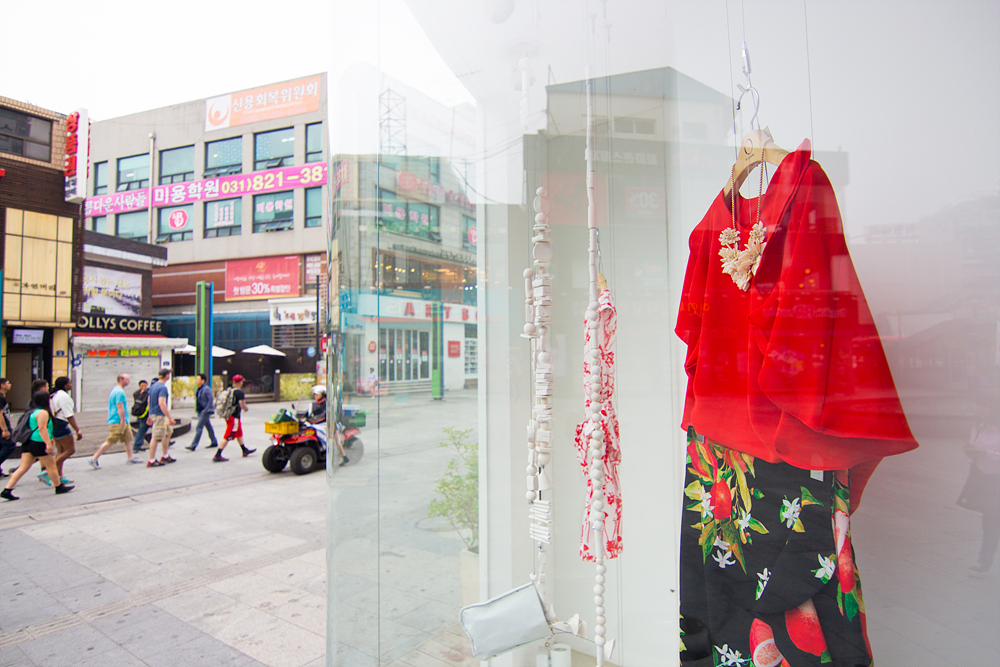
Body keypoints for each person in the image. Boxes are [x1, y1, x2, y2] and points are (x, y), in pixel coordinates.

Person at [2, 390, 74, 500]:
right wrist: (48, 443)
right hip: (39, 442)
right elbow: (42, 429)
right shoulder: (42, 413)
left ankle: (7, 489)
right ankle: (59, 486)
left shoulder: (32, 412)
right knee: (51, 466)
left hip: (29, 442)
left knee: (23, 467)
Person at [959, 395, 1000, 574]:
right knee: (990, 521)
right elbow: (975, 447)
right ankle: (984, 562)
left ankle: (985, 562)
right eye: (977, 405)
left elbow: (989, 454)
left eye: (983, 406)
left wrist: (986, 454)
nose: (978, 409)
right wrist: (970, 450)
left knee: (992, 520)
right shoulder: (978, 427)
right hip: (985, 480)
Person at [89, 374, 142, 468]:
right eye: (127, 379)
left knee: (128, 438)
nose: (129, 381)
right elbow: (120, 406)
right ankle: (94, 458)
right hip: (117, 420)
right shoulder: (119, 392)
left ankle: (130, 458)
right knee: (112, 440)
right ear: (121, 380)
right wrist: (122, 419)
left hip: (123, 420)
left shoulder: (117, 390)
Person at [42, 376, 82, 487]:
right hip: (61, 424)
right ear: (64, 385)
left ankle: (59, 476)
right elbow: (69, 416)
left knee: (61, 450)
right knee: (70, 450)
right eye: (69, 383)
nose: (71, 384)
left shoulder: (54, 395)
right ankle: (47, 471)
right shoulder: (64, 397)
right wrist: (77, 430)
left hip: (54, 423)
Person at [214, 375, 255, 462]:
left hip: (228, 415)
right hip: (234, 417)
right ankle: (217, 454)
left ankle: (244, 450)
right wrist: (245, 408)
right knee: (228, 435)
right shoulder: (239, 393)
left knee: (239, 432)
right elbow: (242, 404)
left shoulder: (228, 390)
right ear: (240, 382)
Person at [146, 368, 176, 467]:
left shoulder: (153, 386)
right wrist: (169, 417)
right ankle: (151, 460)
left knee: (168, 432)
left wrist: (149, 414)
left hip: (156, 414)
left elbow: (149, 401)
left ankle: (165, 455)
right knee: (156, 437)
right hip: (159, 415)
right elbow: (162, 403)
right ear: (167, 375)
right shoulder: (162, 388)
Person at [186, 373, 218, 451]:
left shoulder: (207, 389)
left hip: (205, 411)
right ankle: (214, 441)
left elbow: (210, 400)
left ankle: (193, 445)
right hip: (200, 411)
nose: (196, 380)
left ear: (203, 381)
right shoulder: (198, 389)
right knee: (208, 426)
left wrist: (206, 410)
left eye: (198, 379)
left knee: (199, 427)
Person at [0, 378, 15, 477]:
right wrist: (5, 429)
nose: (10, 384)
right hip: (2, 427)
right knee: (9, 445)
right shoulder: (1, 398)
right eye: (7, 383)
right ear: (2, 385)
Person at [131, 380, 150, 452]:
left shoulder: (147, 392)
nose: (144, 387)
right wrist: (143, 394)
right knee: (141, 430)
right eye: (142, 386)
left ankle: (167, 441)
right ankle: (136, 446)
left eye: (145, 386)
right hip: (143, 414)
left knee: (142, 430)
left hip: (145, 414)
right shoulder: (137, 393)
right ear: (139, 386)